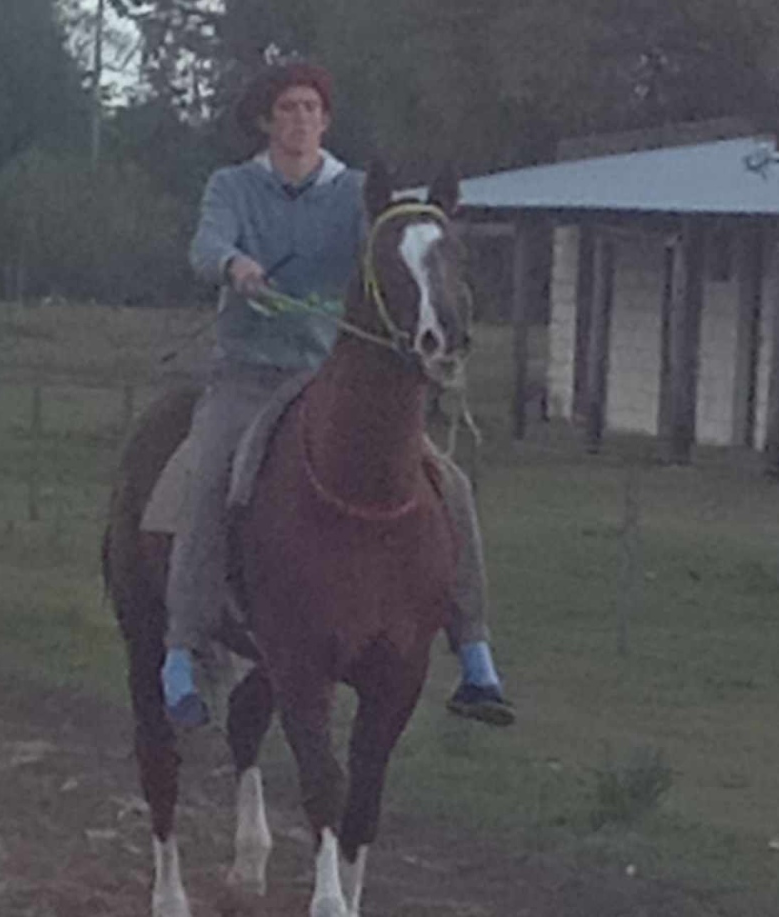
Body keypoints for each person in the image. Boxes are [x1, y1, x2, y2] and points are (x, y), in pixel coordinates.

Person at [147, 61, 515, 730]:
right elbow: (205, 243)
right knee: (204, 479)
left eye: (310, 108)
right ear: (267, 120)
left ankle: (475, 652)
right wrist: (233, 263)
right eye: (287, 108)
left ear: (326, 120)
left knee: (450, 483)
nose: (299, 120)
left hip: (325, 375)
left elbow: (391, 245)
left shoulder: (353, 193)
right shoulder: (232, 187)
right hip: (248, 374)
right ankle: (183, 648)